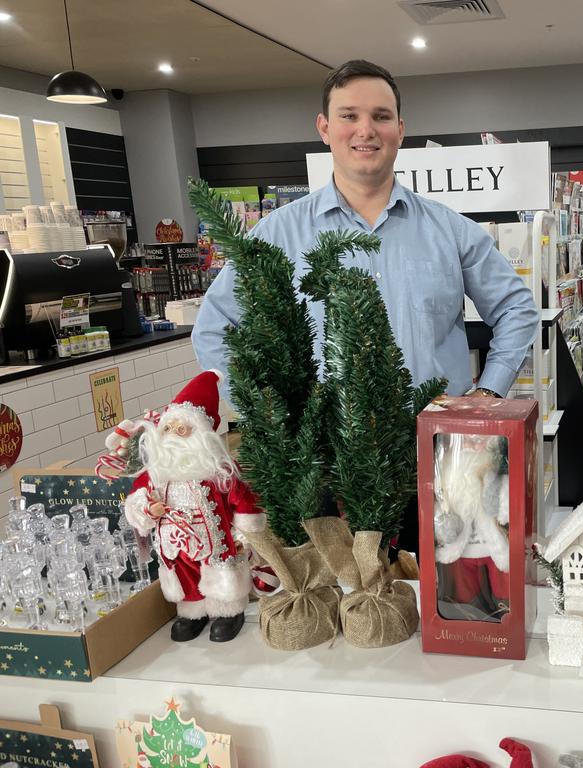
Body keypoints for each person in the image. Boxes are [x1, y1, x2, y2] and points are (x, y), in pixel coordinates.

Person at [192, 59, 539, 405]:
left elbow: (516, 308)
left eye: (381, 116)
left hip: (436, 445)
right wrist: (266, 415)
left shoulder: (451, 231)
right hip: (322, 455)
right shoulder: (276, 235)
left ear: (400, 130)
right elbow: (215, 325)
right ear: (324, 127)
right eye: (349, 116)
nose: (366, 129)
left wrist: (488, 391)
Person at [122, 370, 265, 643]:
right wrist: (146, 510)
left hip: (217, 545)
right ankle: (192, 612)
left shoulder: (219, 471)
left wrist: (248, 531)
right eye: (168, 429)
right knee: (185, 578)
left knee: (222, 572)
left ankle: (228, 611)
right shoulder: (156, 473)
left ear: (200, 433)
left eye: (182, 429)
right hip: (176, 547)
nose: (173, 436)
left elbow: (244, 499)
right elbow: (136, 499)